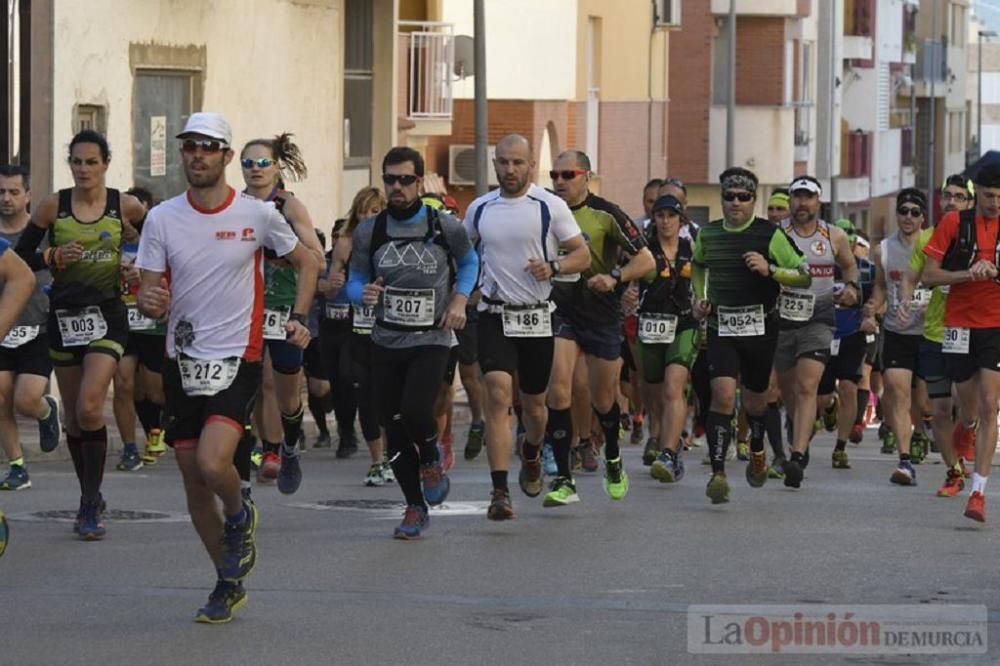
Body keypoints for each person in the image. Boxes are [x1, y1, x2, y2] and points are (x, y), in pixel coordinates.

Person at [136, 112, 319, 623]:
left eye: (208, 147)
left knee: (214, 464)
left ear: (224, 156)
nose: (198, 155)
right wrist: (149, 299)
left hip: (238, 355)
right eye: (190, 146)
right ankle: (226, 581)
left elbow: (308, 261)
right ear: (182, 154)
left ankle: (240, 514)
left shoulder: (257, 215)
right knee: (193, 481)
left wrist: (300, 317)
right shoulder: (163, 218)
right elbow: (151, 294)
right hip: (182, 359)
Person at [15, 130, 146, 539]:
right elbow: (19, 256)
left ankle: (90, 503)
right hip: (65, 316)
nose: (84, 169)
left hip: (108, 314)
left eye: (91, 161)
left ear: (106, 163)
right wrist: (51, 256)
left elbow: (162, 244)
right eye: (77, 161)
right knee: (74, 417)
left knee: (91, 406)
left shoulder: (125, 205)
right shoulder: (55, 206)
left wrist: (136, 252)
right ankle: (89, 493)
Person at [348, 146, 478, 539]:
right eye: (390, 179)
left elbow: (470, 262)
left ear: (420, 182)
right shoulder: (371, 229)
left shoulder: (444, 225)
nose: (397, 187)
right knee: (393, 425)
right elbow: (355, 277)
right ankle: (414, 506)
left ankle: (432, 455)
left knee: (416, 409)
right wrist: (362, 294)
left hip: (432, 337)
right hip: (386, 338)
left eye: (406, 179)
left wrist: (458, 299)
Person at [463, 134, 587, 519]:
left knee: (535, 406)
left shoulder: (549, 206)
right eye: (503, 162)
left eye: (517, 163)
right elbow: (465, 255)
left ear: (531, 166)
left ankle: (532, 448)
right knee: (498, 395)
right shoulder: (480, 208)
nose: (510, 170)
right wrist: (463, 292)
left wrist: (553, 267)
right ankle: (500, 491)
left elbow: (581, 254)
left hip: (536, 315)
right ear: (494, 164)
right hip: (494, 314)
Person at [691, 167, 811, 504]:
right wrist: (699, 297)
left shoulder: (769, 235)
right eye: (729, 196)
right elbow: (698, 265)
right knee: (723, 396)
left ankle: (758, 448)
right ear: (722, 199)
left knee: (756, 401)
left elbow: (803, 274)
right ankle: (718, 474)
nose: (735, 203)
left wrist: (770, 269)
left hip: (761, 328)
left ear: (753, 200)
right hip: (721, 327)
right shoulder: (708, 234)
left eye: (743, 197)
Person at [544, 150, 655, 506]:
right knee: (559, 392)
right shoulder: (543, 210)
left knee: (603, 399)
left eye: (568, 174)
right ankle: (564, 477)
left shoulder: (606, 213)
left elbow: (647, 259)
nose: (560, 182)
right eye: (554, 174)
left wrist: (614, 276)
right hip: (560, 309)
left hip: (601, 313)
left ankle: (611, 455)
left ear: (586, 176)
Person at [241, 133, 324, 495]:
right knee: (256, 381)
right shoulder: (233, 205)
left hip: (287, 304)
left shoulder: (288, 205)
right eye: (248, 164)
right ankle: (267, 450)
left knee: (284, 387)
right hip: (247, 304)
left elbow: (316, 257)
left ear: (277, 167)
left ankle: (289, 442)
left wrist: (284, 248)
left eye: (263, 163)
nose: (256, 170)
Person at [921, 163, 1000, 523]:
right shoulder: (954, 224)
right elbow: (929, 276)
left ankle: (978, 493)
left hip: (996, 326)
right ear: (977, 193)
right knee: (967, 410)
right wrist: (970, 273)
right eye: (989, 195)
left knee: (989, 406)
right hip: (957, 325)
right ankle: (964, 430)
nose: (995, 202)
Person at [773, 177, 858, 486]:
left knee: (808, 386)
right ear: (790, 201)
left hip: (820, 317)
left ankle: (796, 455)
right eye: (797, 197)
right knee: (788, 388)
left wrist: (850, 287)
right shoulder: (776, 234)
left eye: (808, 198)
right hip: (783, 318)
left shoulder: (833, 236)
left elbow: (849, 266)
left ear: (818, 202)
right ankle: (798, 427)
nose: (802, 204)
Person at [900, 175, 979, 497]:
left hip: (971, 331)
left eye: (959, 197)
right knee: (941, 408)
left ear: (970, 203)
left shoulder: (979, 236)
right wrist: (907, 297)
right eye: (947, 195)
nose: (951, 202)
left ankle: (970, 429)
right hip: (935, 333)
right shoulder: (927, 239)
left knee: (969, 408)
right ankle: (954, 470)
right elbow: (912, 276)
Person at [861, 188, 932, 487]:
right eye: (903, 211)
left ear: (923, 218)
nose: (908, 217)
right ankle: (904, 462)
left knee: (926, 403)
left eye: (915, 212)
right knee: (897, 390)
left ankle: (922, 430)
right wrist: (873, 309)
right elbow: (879, 286)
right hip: (897, 331)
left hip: (930, 333)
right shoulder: (884, 250)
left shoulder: (934, 247)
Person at [325, 186, 392, 485]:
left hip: (390, 329)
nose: (368, 216)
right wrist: (333, 282)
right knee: (364, 394)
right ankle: (377, 461)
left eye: (375, 211)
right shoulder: (346, 242)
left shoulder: (394, 241)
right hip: (358, 328)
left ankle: (393, 456)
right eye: (364, 210)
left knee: (388, 397)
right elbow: (333, 281)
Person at [0, 165, 58, 491]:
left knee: (25, 399)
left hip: (38, 327)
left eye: (13, 191)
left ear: (27, 194)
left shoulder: (42, 234)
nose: (6, 198)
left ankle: (45, 411)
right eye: (1, 192)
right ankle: (17, 466)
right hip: (2, 330)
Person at [637, 195, 700, 483]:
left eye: (671, 216)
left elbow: (705, 282)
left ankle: (669, 454)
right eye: (660, 216)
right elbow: (627, 278)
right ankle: (659, 434)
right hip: (650, 325)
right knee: (654, 389)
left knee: (674, 388)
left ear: (681, 220)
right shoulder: (643, 251)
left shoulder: (693, 249)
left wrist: (704, 303)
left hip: (684, 324)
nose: (666, 221)